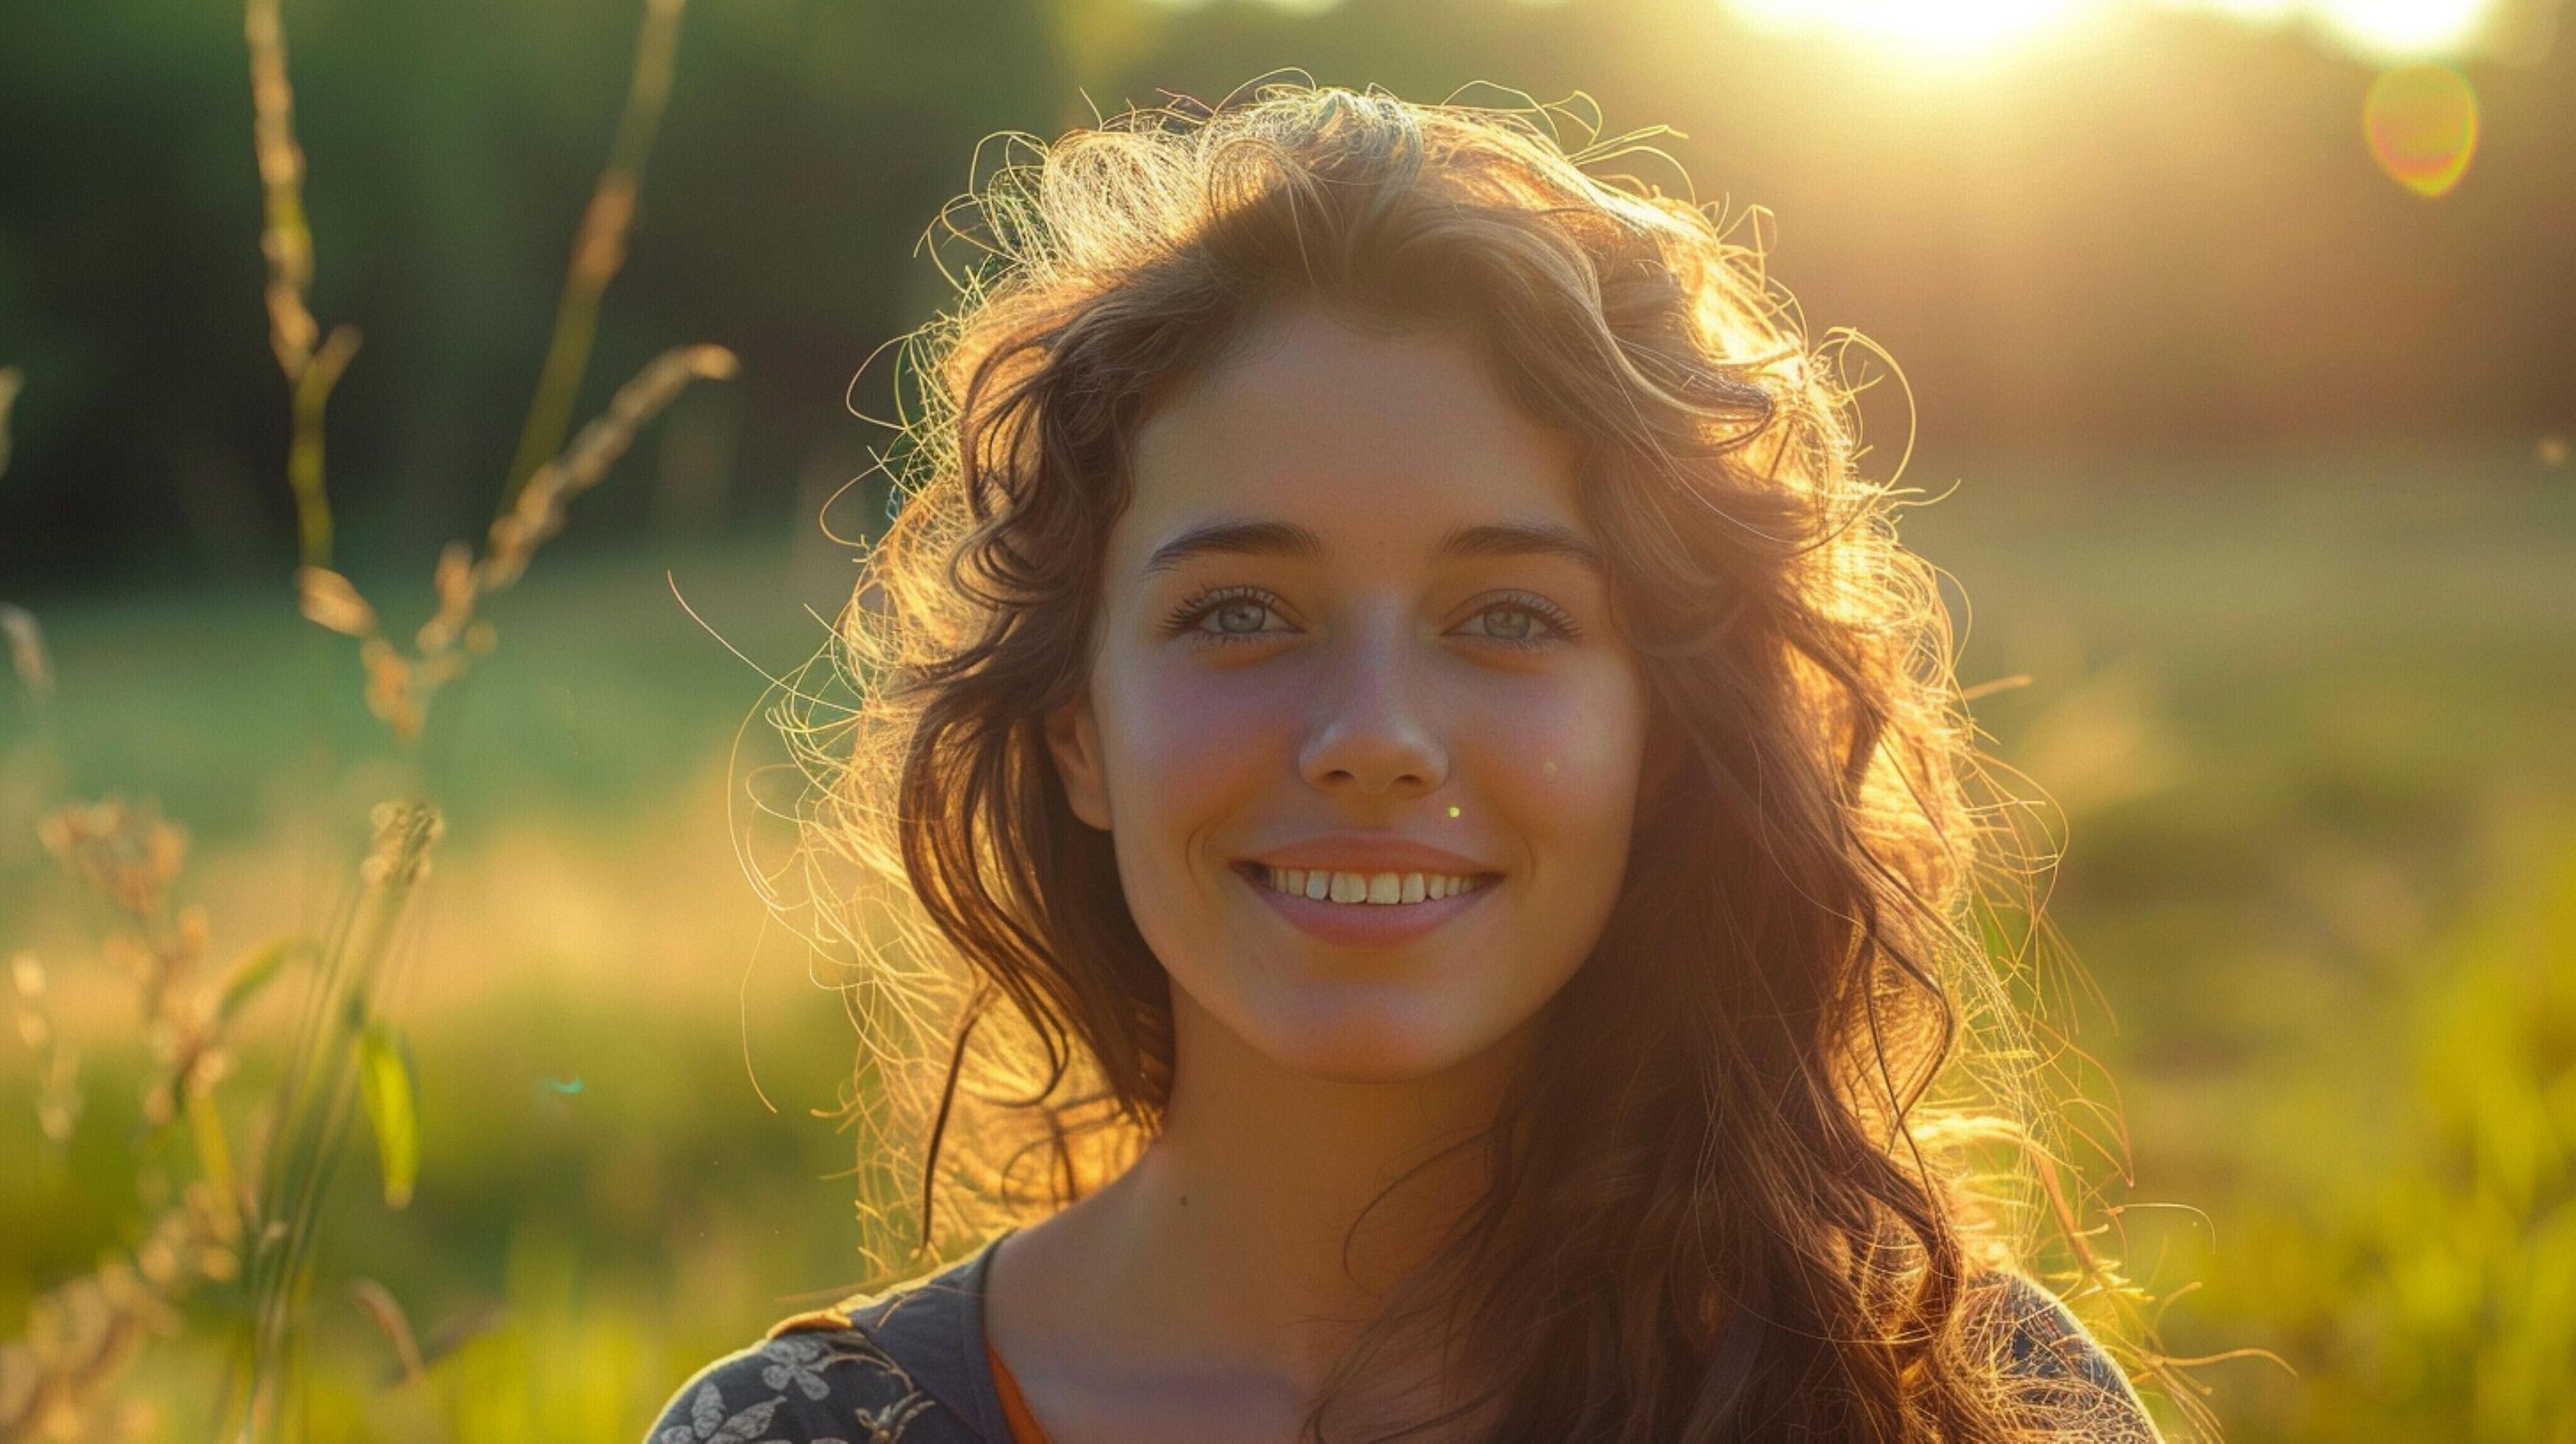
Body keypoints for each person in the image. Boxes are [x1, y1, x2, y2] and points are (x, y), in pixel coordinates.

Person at [650, 80, 2162, 1443]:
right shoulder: (801, 1433)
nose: (1373, 732)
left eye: (1507, 614)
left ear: (1660, 737)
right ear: (1077, 733)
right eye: (1239, 610)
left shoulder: (1957, 1400)